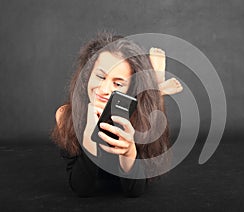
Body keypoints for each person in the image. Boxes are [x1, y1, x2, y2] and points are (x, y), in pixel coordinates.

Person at [52, 32, 181, 197]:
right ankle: (155, 86)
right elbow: (81, 189)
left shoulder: (140, 117)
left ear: (130, 88)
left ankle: (154, 87)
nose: (104, 89)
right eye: (100, 76)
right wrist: (88, 139)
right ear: (87, 76)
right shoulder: (65, 115)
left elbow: (134, 191)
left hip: (139, 113)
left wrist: (129, 152)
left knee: (152, 109)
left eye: (118, 83)